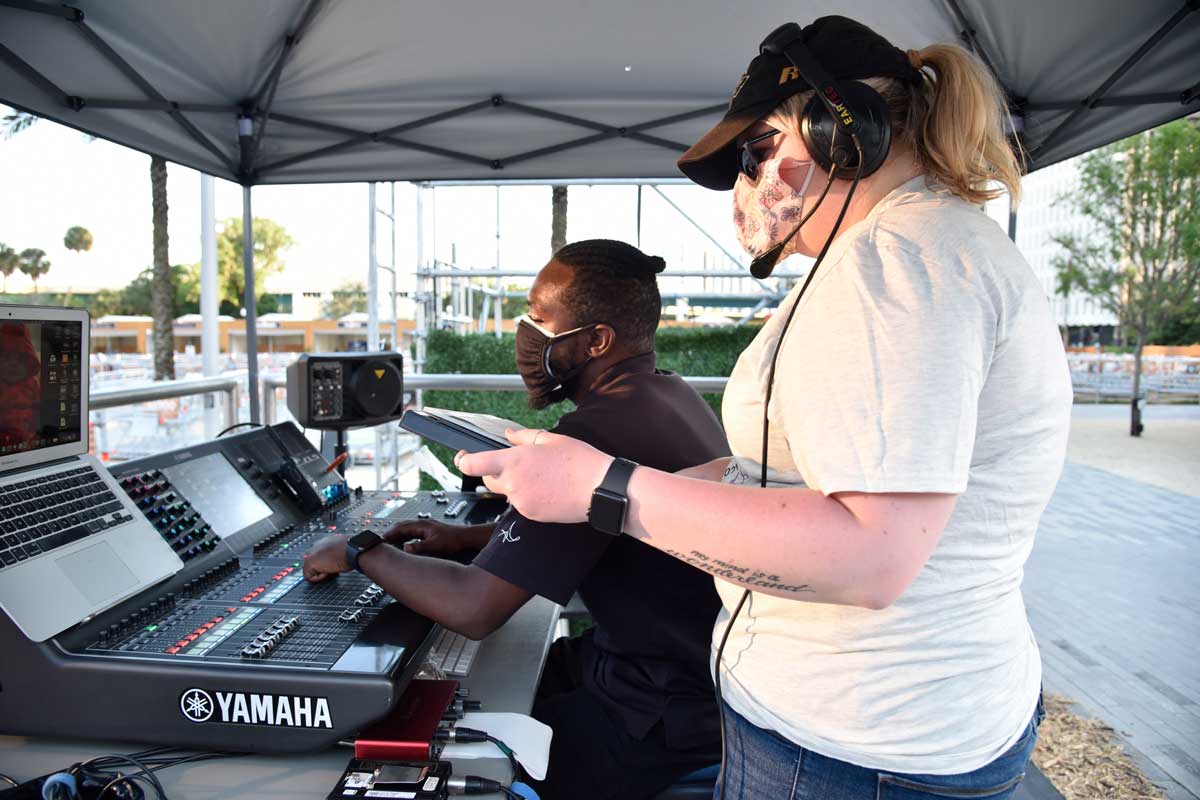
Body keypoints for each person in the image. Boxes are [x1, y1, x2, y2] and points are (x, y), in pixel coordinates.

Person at [455, 16, 1072, 800]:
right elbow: (784, 476)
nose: (749, 185)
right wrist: (595, 477)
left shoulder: (897, 268)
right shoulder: (911, 252)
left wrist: (605, 488)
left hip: (856, 745)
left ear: (838, 133)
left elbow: (870, 554)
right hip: (874, 727)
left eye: (756, 152)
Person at [303, 239, 728, 800]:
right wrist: (470, 537)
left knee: (482, 779)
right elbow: (606, 528)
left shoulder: (598, 431)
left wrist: (360, 552)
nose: (525, 334)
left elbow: (473, 608)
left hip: (655, 711)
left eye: (540, 319)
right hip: (672, 674)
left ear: (597, 340)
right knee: (499, 689)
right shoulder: (668, 393)